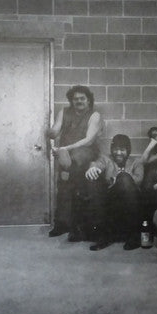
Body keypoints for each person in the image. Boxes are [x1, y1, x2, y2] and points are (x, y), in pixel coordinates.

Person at [46, 85, 103, 238]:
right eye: (75, 99)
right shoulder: (64, 112)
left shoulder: (94, 115)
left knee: (78, 185)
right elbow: (55, 130)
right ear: (71, 100)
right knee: (63, 187)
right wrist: (50, 132)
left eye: (82, 98)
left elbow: (89, 140)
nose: (78, 101)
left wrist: (65, 149)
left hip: (85, 153)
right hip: (66, 155)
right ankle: (62, 224)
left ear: (89, 100)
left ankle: (78, 227)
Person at [84, 134, 144, 251]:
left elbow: (138, 180)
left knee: (124, 178)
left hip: (131, 204)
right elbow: (98, 164)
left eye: (122, 149)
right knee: (94, 182)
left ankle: (135, 236)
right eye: (115, 149)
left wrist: (120, 179)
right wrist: (93, 168)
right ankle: (104, 236)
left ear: (128, 151)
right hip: (111, 204)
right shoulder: (106, 159)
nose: (118, 153)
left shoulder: (136, 162)